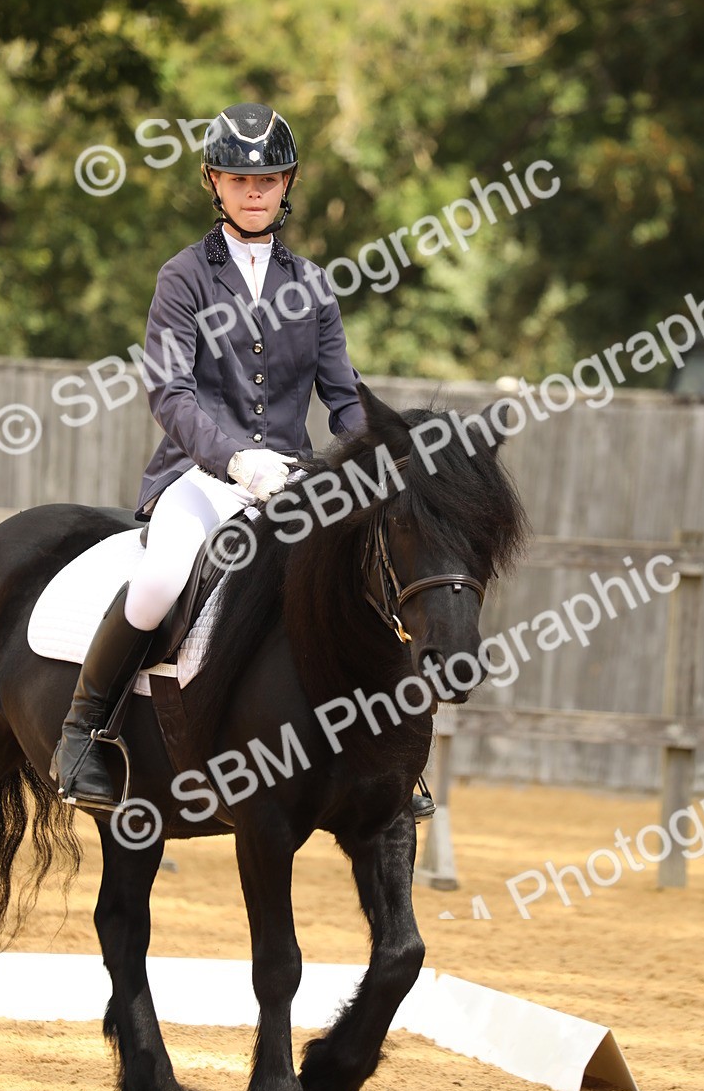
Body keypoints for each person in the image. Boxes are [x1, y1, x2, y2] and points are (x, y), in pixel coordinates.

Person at [50, 102, 436, 821]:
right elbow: (171, 392)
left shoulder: (313, 286)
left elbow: (343, 397)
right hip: (199, 478)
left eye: (266, 179)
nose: (252, 192)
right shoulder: (184, 278)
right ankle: (85, 730)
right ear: (213, 183)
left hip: (294, 480)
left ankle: (389, 756)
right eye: (237, 179)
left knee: (370, 573)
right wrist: (238, 461)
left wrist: (373, 463)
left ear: (286, 183)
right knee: (163, 574)